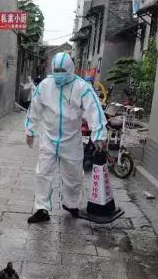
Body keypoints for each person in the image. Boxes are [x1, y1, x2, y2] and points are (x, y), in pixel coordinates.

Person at [25, 52, 106, 223]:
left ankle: (71, 204)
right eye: (57, 71)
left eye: (63, 71)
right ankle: (41, 209)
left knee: (73, 175)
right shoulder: (45, 86)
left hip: (71, 140)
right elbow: (34, 108)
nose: (59, 74)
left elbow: (94, 110)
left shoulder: (81, 87)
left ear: (71, 69)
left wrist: (98, 134)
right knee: (43, 174)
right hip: (49, 138)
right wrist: (30, 130)